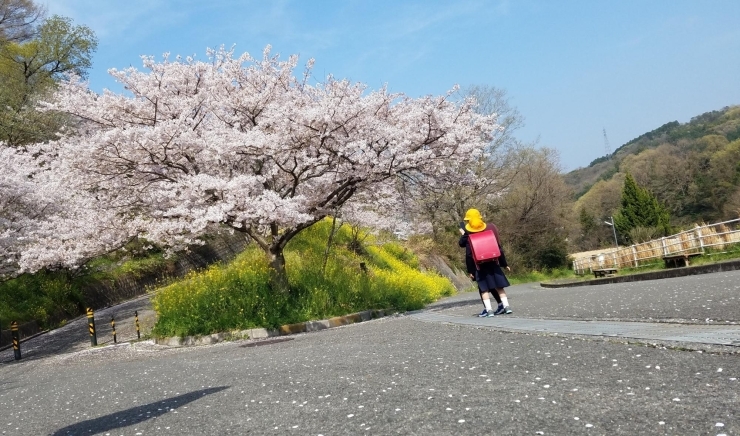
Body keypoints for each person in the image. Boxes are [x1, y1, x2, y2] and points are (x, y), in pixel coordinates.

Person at [458, 208, 512, 317]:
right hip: (493, 263)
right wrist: (504, 263)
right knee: (499, 287)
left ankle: (489, 310)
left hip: (479, 266)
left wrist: (471, 271)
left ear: (469, 222)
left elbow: (467, 253)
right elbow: (498, 249)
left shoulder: (468, 236)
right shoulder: (488, 230)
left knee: (484, 289)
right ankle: (506, 307)